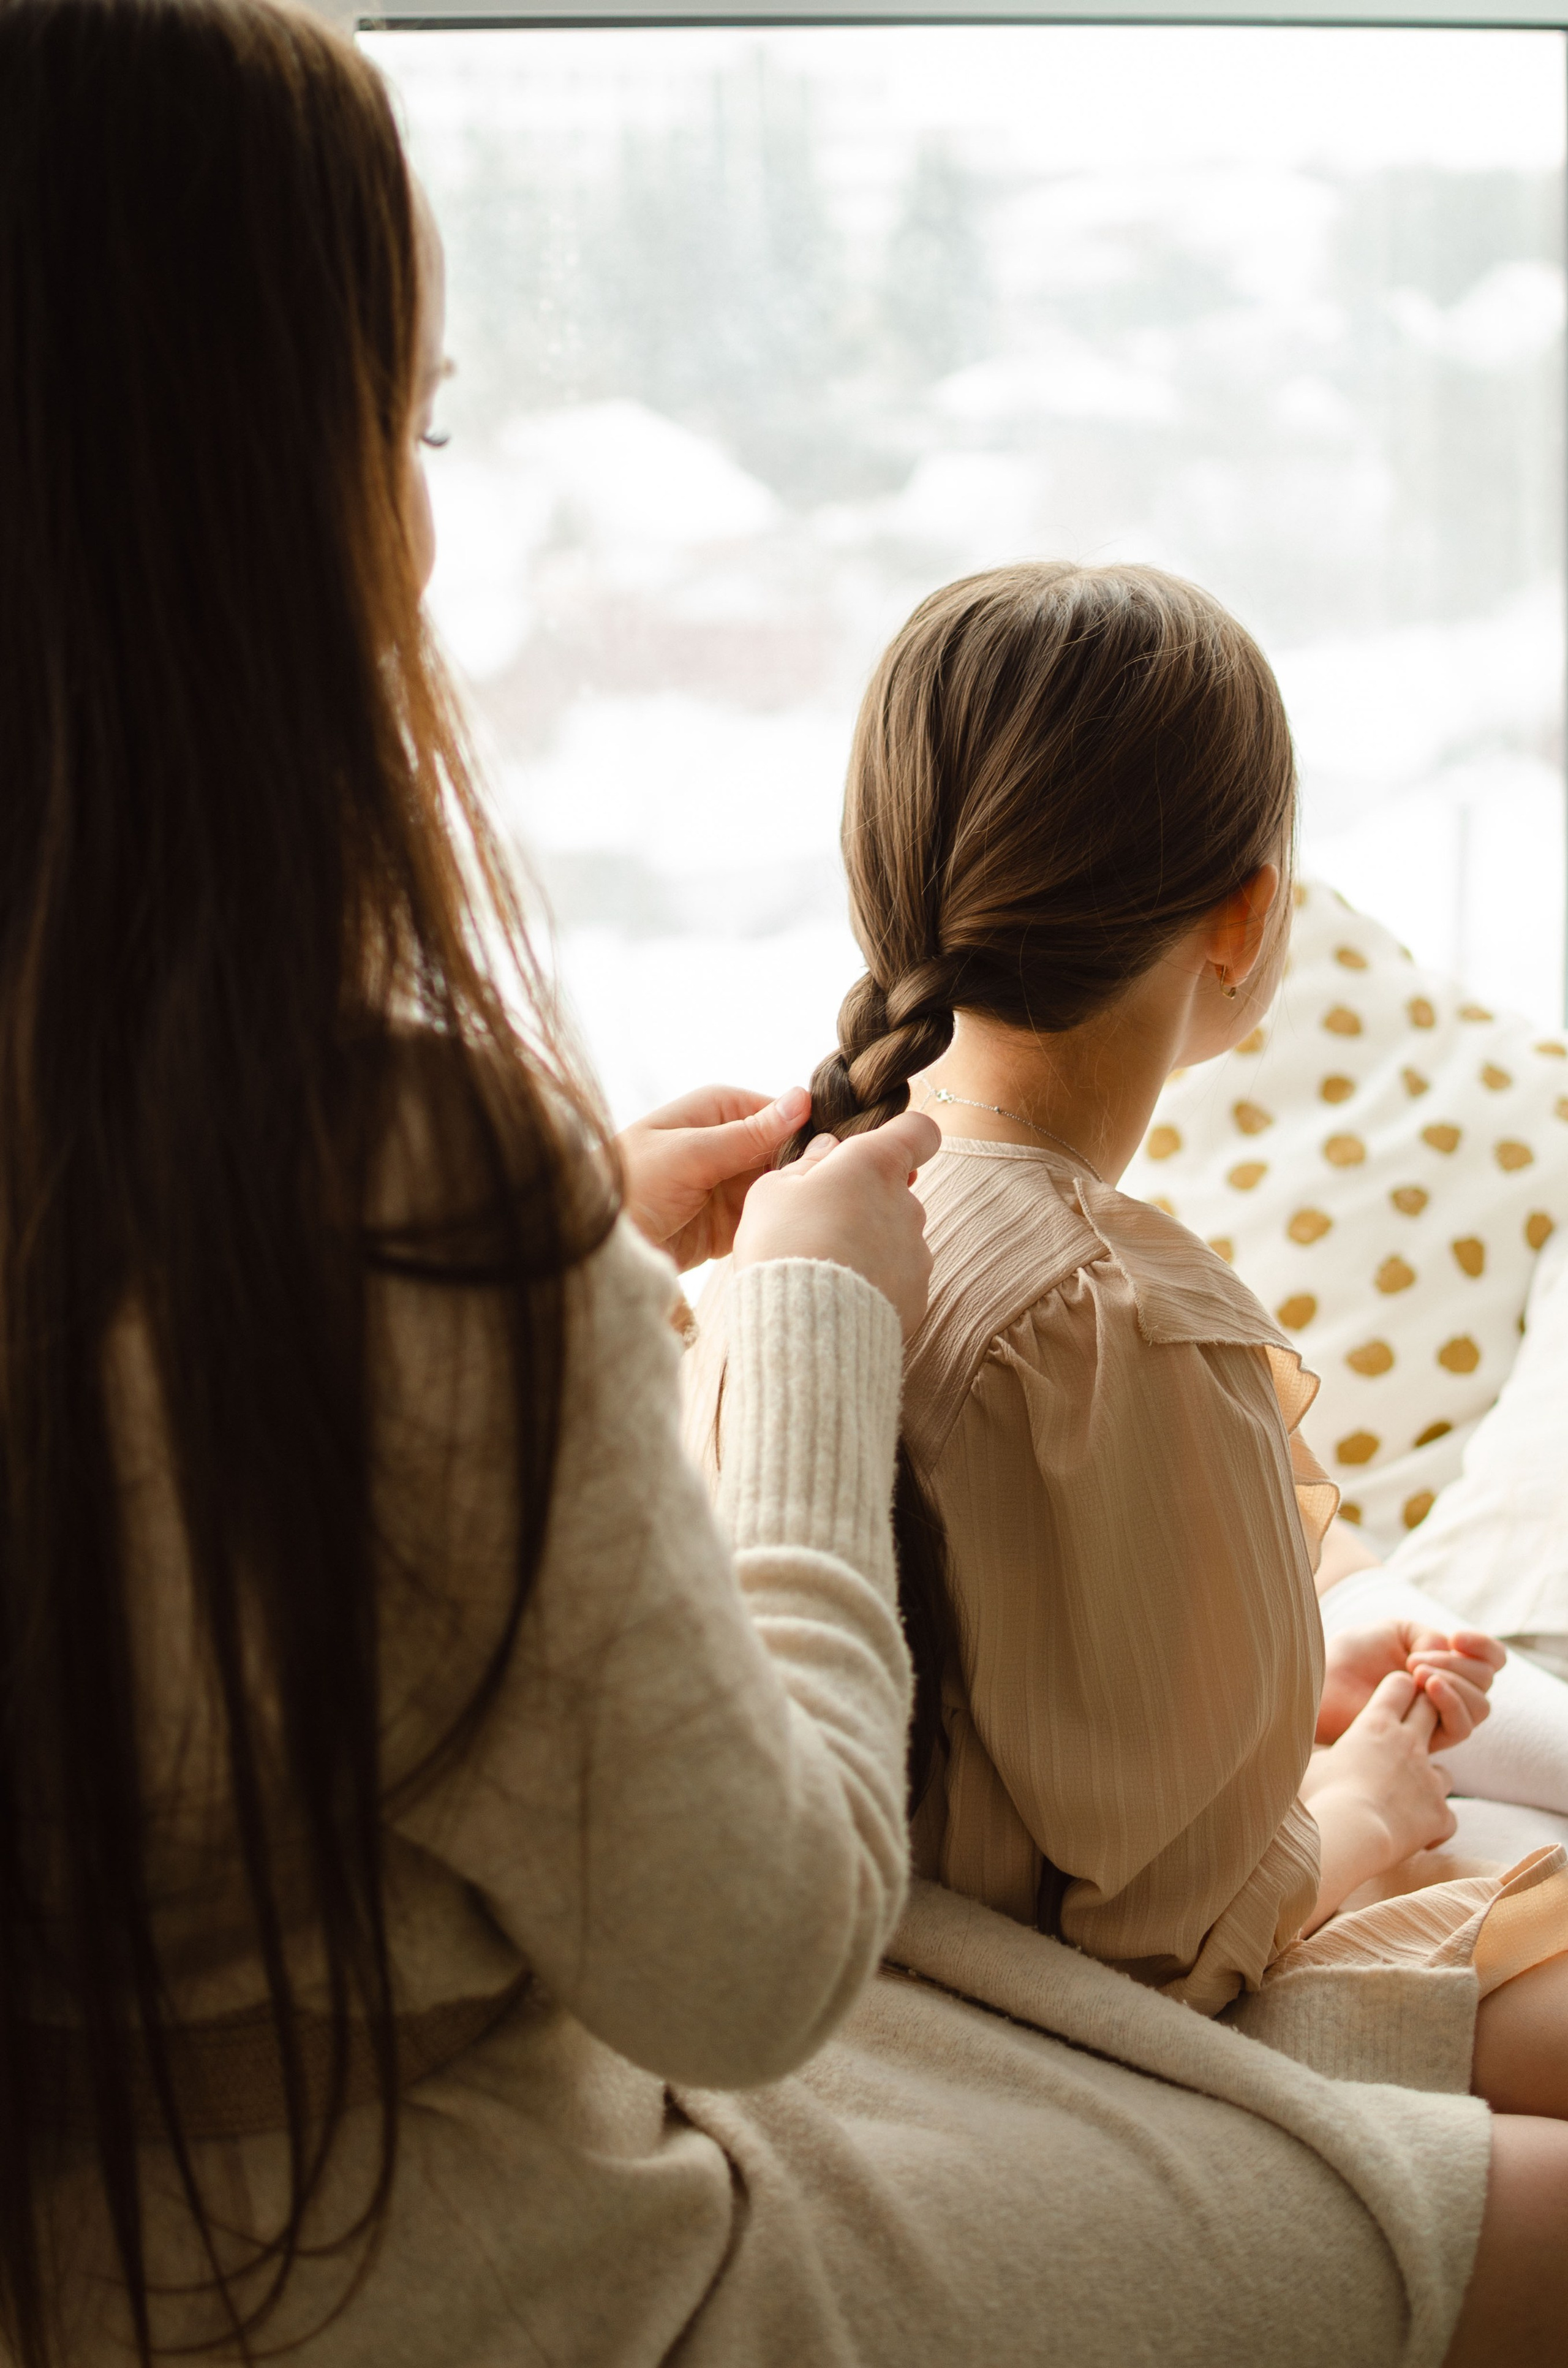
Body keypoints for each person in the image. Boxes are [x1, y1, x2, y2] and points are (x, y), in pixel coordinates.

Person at [4, 5, 1566, 2363]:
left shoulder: (252, 1184)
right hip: (503, 2239)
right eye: (411, 422)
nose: (427, 514)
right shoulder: (437, 1182)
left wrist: (576, 1283)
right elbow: (765, 1960)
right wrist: (772, 1334)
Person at [692, 557, 1568, 2109]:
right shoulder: (1122, 1325)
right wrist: (1352, 1805)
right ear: (1245, 919)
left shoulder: (783, 1251)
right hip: (1068, 2057)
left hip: (879, 2008)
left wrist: (1293, 1660)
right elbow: (1171, 1947)